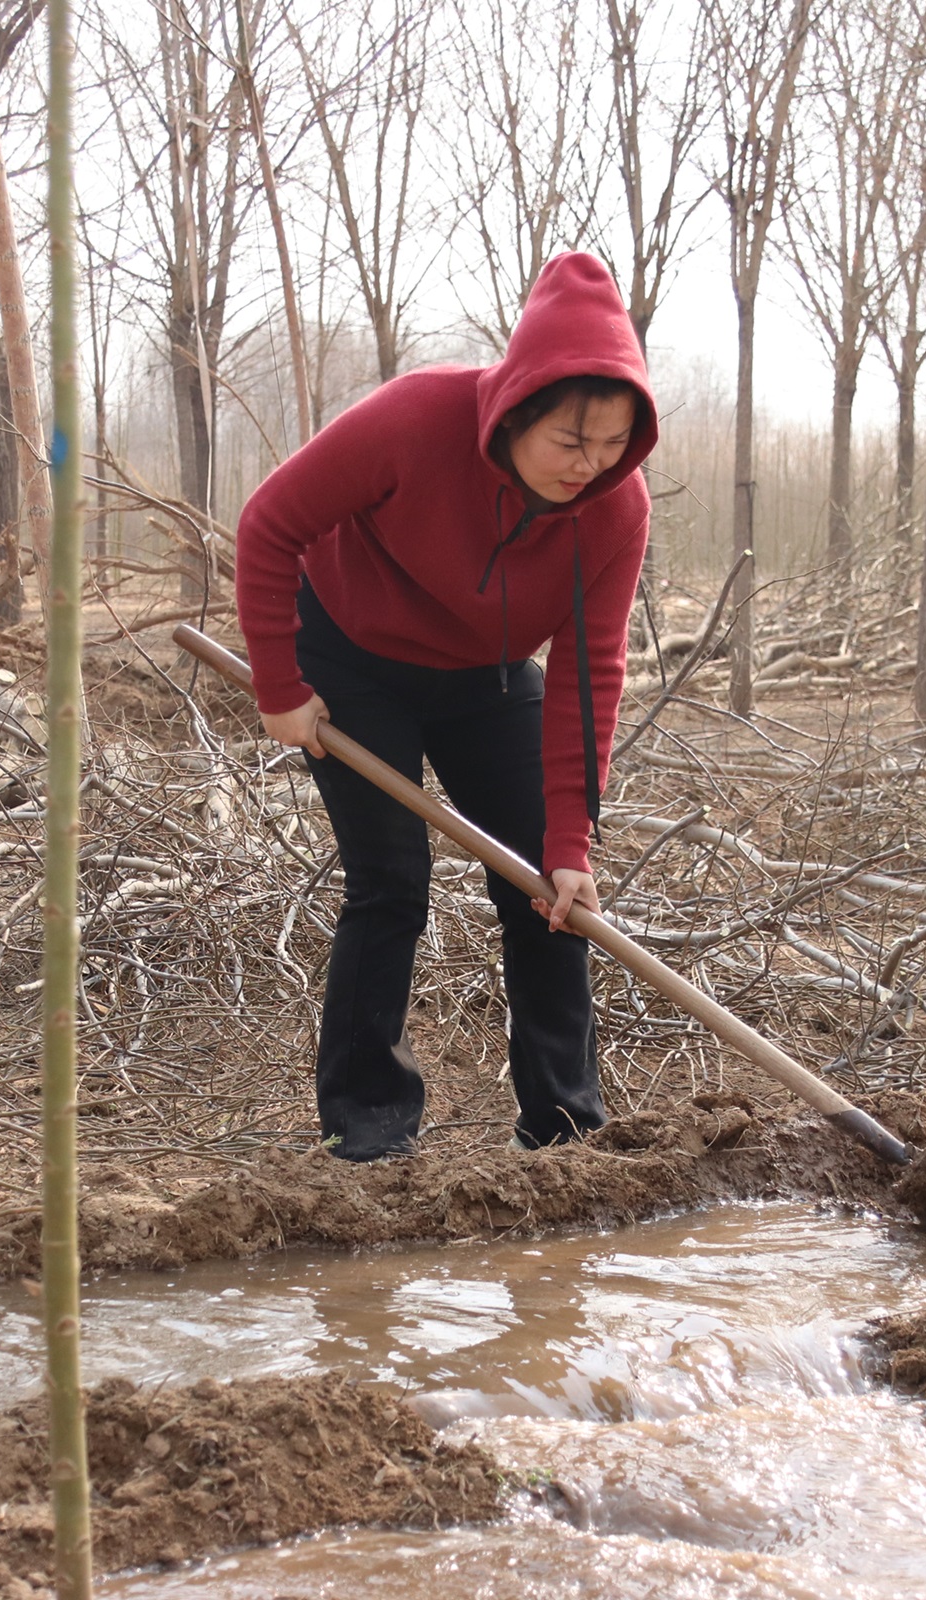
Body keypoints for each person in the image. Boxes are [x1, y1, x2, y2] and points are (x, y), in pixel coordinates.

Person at [235, 252, 656, 1160]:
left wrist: (570, 842)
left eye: (613, 444)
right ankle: (371, 1128)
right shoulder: (413, 419)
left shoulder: (615, 511)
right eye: (570, 443)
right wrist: (280, 687)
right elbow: (270, 524)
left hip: (486, 677)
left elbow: (590, 673)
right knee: (391, 882)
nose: (591, 466)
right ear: (517, 410)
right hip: (351, 656)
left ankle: (564, 1127)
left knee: (548, 893)